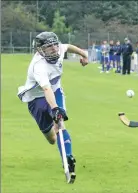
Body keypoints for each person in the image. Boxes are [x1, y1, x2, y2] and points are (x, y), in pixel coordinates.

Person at [17, 31, 88, 183]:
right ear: (40, 50)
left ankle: (67, 159)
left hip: (55, 92)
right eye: (49, 47)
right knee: (51, 139)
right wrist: (55, 109)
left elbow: (68, 47)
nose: (54, 49)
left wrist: (84, 55)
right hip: (37, 100)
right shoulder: (39, 66)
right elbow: (46, 89)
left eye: (55, 45)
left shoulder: (59, 49)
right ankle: (58, 138)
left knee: (60, 123)